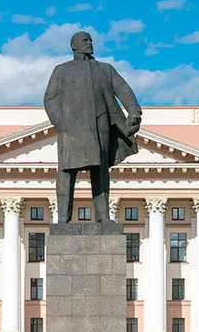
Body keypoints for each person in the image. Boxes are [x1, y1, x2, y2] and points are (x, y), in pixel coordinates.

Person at [43, 31, 142, 222]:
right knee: (66, 170)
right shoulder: (61, 70)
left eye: (90, 40)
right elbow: (50, 99)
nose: (89, 43)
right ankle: (63, 217)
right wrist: (61, 122)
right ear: (74, 46)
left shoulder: (104, 69)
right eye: (85, 41)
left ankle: (103, 217)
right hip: (70, 130)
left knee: (100, 170)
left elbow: (122, 88)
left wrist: (134, 110)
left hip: (99, 125)